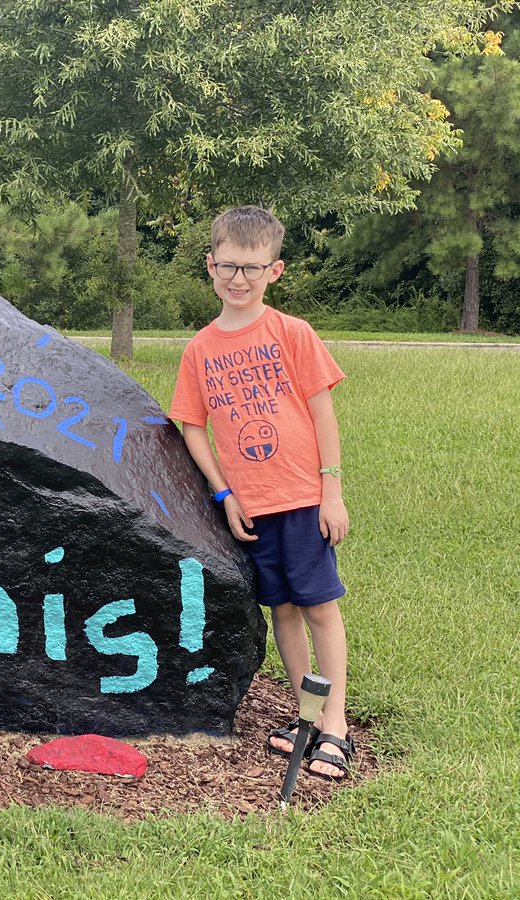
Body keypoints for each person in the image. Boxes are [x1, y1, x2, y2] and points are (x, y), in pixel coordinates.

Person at [168, 206, 353, 781]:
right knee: (284, 611)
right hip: (250, 506)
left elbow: (322, 409)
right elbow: (191, 425)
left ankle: (337, 727)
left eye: (252, 268)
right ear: (210, 266)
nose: (238, 279)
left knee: (320, 608)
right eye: (228, 266)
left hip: (300, 497)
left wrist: (331, 488)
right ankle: (306, 715)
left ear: (274, 271)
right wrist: (224, 493)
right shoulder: (200, 350)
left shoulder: (292, 334)